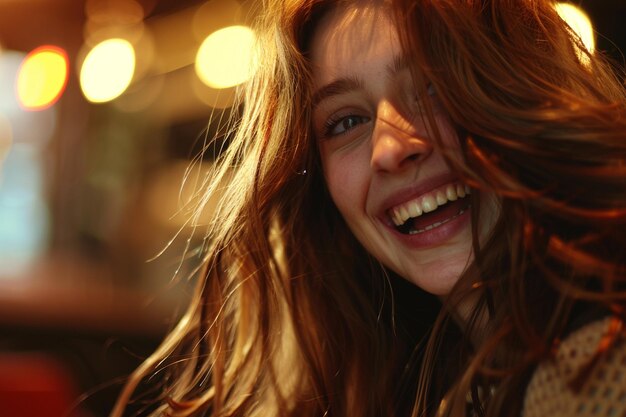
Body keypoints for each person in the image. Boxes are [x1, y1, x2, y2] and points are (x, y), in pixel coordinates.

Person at [111, 0, 626, 416]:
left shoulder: (598, 374)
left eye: (432, 87)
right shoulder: (437, 381)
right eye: (345, 122)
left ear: (529, 94)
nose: (389, 147)